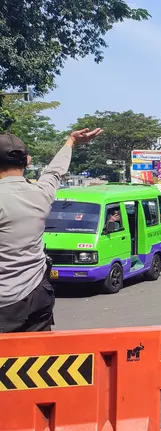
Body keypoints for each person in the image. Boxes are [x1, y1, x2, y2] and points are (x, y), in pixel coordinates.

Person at [0, 128, 103, 333]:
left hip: (4, 302)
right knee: (37, 359)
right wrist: (70, 141)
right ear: (27, 161)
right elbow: (54, 171)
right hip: (38, 294)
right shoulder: (41, 193)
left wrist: (70, 142)